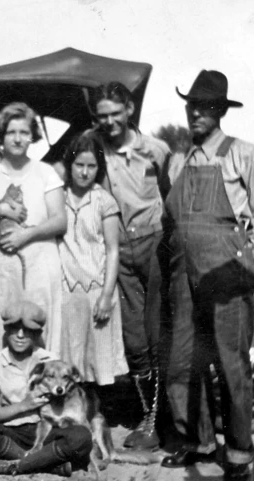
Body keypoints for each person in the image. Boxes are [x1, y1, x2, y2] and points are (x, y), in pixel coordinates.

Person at [161, 70, 254, 479]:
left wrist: (242, 262)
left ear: (220, 111)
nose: (196, 113)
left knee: (231, 364)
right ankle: (197, 440)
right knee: (182, 359)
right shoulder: (180, 160)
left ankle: (240, 452)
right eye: (191, 105)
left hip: (227, 273)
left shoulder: (244, 154)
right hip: (184, 274)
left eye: (205, 106)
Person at [91, 81, 172, 449]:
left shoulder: (156, 150)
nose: (109, 122)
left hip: (154, 243)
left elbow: (171, 197)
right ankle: (147, 418)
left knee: (158, 332)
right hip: (118, 250)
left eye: (115, 114)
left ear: (129, 111)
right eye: (102, 115)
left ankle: (165, 417)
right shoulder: (94, 146)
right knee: (134, 337)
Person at [0, 102, 66, 375]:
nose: (18, 138)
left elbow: (60, 220)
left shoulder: (46, 172)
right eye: (11, 132)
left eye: (24, 132)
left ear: (32, 135)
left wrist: (27, 235)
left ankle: (41, 394)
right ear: (0, 136)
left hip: (37, 261)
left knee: (35, 324)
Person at [0, 301, 90, 476]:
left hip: (46, 430)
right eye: (14, 329)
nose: (20, 335)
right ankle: (45, 464)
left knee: (81, 437)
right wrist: (23, 405)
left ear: (37, 334)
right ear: (6, 331)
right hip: (12, 432)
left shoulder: (50, 360)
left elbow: (69, 393)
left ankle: (15, 465)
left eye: (27, 331)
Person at [58, 131, 129, 386]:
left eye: (91, 166)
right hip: (67, 290)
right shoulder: (58, 197)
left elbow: (112, 250)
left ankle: (97, 416)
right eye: (79, 165)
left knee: (98, 363)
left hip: (97, 290)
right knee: (70, 358)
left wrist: (107, 295)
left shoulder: (104, 200)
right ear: (70, 165)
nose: (85, 172)